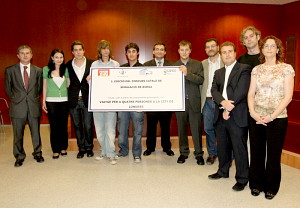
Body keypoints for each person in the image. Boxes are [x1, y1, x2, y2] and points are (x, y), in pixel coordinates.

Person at [247, 36, 294, 199]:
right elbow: (251, 93)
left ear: (278, 49)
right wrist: (253, 113)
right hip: (257, 117)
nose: (268, 48)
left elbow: (288, 96)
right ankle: (255, 184)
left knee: (273, 154)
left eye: (272, 46)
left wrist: (272, 116)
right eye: (266, 46)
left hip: (278, 118)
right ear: (262, 49)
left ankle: (271, 187)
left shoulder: (286, 69)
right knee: (256, 152)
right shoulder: (256, 69)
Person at [208, 41, 251, 192]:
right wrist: (223, 103)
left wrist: (229, 107)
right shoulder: (218, 72)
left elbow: (241, 91)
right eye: (224, 52)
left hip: (237, 114)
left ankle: (242, 178)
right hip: (220, 114)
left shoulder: (244, 69)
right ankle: (222, 171)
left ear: (235, 53)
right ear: (221, 54)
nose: (227, 54)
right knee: (223, 146)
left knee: (239, 148)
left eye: (230, 52)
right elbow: (214, 90)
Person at [5, 45, 44, 167]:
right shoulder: (10, 70)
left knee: (36, 132)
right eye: (22, 53)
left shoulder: (38, 70)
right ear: (18, 55)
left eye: (27, 53)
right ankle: (19, 156)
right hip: (17, 106)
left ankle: (37, 153)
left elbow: (39, 89)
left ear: (31, 55)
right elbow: (8, 89)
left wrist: (31, 98)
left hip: (33, 105)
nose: (25, 55)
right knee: (18, 134)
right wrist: (17, 100)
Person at [174, 40, 204, 165]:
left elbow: (200, 80)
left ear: (190, 51)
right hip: (179, 103)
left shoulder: (197, 64)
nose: (184, 52)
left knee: (196, 129)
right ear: (178, 51)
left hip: (194, 102)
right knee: (181, 129)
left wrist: (187, 73)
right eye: (182, 49)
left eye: (187, 49)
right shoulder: (174, 65)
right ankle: (183, 152)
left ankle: (199, 154)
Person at [143, 42, 174, 157]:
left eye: (162, 49)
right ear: (153, 52)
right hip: (151, 102)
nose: (159, 51)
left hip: (166, 102)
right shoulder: (146, 65)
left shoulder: (172, 66)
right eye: (157, 49)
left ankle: (167, 148)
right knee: (151, 127)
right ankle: (150, 148)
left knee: (166, 127)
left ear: (165, 52)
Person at [91, 40, 120, 165]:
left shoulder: (115, 64)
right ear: (100, 50)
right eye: (103, 48)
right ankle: (103, 151)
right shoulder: (94, 65)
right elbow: (91, 84)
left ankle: (111, 153)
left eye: (107, 48)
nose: (105, 51)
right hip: (97, 102)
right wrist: (89, 79)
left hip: (111, 102)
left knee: (110, 129)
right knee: (100, 129)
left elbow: (119, 83)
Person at [66, 41, 94, 159]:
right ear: (72, 52)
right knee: (77, 126)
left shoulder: (92, 63)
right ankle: (81, 148)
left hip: (87, 99)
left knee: (88, 125)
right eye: (75, 50)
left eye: (80, 49)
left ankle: (89, 148)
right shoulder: (67, 65)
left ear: (84, 50)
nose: (78, 52)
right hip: (73, 100)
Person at [117, 42, 144, 163]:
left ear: (137, 53)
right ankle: (123, 150)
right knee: (122, 130)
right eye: (129, 52)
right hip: (123, 104)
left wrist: (143, 104)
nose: (131, 54)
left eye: (134, 51)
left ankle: (137, 153)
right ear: (126, 54)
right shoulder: (121, 68)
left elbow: (147, 88)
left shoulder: (144, 69)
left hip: (138, 105)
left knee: (137, 131)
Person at [42, 49, 69, 159]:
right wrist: (43, 101)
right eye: (56, 57)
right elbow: (44, 86)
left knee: (63, 126)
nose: (59, 59)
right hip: (51, 101)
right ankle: (55, 149)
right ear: (52, 58)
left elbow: (68, 84)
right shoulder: (46, 69)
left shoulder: (65, 69)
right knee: (54, 126)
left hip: (64, 101)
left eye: (61, 57)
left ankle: (63, 148)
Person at [201, 38, 224, 165]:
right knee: (208, 128)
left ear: (218, 47)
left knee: (224, 129)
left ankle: (226, 155)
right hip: (208, 102)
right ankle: (212, 153)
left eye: (213, 46)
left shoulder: (225, 61)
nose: (210, 48)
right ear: (205, 50)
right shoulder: (202, 64)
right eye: (208, 47)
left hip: (222, 102)